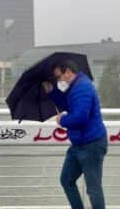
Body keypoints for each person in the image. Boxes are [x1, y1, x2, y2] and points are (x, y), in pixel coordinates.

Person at [43, 59, 107, 209]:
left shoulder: (83, 87)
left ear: (68, 72)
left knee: (93, 188)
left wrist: (62, 120)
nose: (58, 79)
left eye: (58, 76)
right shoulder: (75, 86)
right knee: (66, 180)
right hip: (78, 145)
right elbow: (67, 103)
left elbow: (81, 117)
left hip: (92, 145)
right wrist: (51, 91)